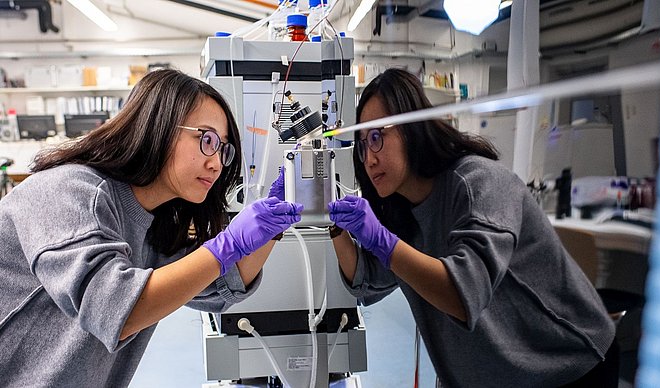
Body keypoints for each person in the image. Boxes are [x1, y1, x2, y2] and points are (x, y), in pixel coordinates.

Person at [0, 69, 302, 387]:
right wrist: (228, 244)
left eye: (223, 150)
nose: (216, 163)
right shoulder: (66, 190)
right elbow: (115, 307)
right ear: (158, 127)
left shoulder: (155, 223)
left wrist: (271, 227)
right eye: (207, 140)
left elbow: (222, 284)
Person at [327, 68, 618, 387]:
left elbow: (464, 294)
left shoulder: (481, 183)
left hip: (567, 368)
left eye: (377, 138)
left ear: (413, 129)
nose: (368, 159)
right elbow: (367, 280)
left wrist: (383, 242)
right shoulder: (404, 209)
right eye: (362, 145)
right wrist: (332, 224)